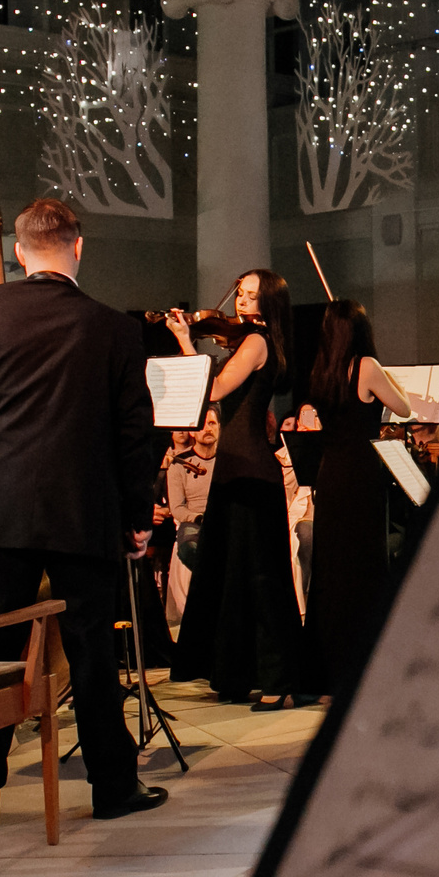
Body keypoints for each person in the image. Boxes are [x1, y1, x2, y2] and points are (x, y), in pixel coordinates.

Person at [0, 197, 170, 823]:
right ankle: (113, 788)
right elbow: (136, 432)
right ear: (79, 249)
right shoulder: (114, 327)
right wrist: (138, 515)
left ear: (21, 253)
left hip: (3, 510)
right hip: (86, 511)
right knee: (90, 653)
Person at [167, 268, 312, 708]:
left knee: (261, 578)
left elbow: (214, 389)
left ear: (269, 301)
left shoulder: (255, 342)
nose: (241, 302)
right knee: (232, 577)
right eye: (241, 295)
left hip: (250, 472)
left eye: (251, 295)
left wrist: (185, 340)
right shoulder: (248, 339)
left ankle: (278, 679)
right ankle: (236, 675)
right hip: (237, 470)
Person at [302, 300, 416, 695]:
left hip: (329, 475)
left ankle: (327, 668)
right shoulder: (367, 366)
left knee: (331, 569)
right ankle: (365, 662)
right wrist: (391, 379)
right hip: (360, 476)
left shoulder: (321, 370)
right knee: (364, 566)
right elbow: (404, 408)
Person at [161, 407, 217, 628]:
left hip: (221, 519)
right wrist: (199, 518)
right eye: (202, 425)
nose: (208, 429)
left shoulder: (226, 461)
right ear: (193, 431)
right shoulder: (179, 464)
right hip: (195, 521)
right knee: (189, 548)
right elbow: (177, 508)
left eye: (212, 424)